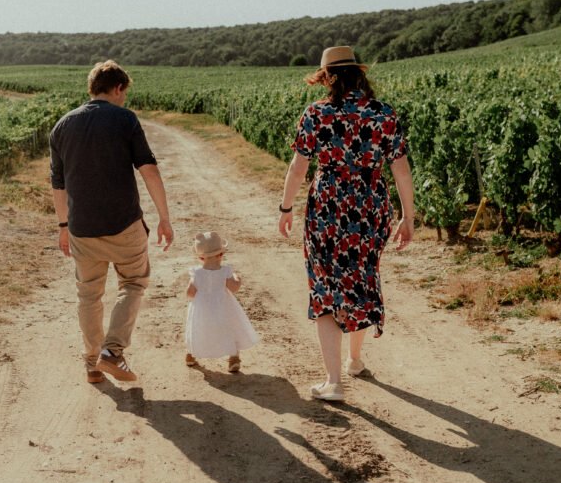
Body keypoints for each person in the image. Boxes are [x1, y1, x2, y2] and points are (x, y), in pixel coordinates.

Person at [278, 46, 415, 402]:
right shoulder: (384, 114)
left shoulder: (316, 114)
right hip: (371, 204)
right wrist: (408, 217)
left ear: (327, 77)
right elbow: (401, 170)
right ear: (359, 74)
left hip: (328, 206)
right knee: (362, 275)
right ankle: (355, 359)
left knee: (326, 285)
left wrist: (286, 207)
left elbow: (298, 168)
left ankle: (334, 381)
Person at [50, 60, 174, 384]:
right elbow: (148, 169)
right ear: (118, 88)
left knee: (88, 295)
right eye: (125, 93)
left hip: (81, 229)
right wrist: (164, 218)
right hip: (124, 225)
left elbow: (58, 185)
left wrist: (63, 227)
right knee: (133, 284)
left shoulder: (61, 127)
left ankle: (92, 363)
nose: (125, 99)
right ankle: (112, 352)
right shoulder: (125, 119)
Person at [184, 232, 260, 373]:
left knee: (198, 329)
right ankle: (233, 358)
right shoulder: (225, 271)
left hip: (202, 309)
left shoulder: (197, 273)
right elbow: (234, 288)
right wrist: (237, 278)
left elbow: (189, 292)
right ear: (221, 254)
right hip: (224, 308)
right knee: (230, 329)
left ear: (201, 257)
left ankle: (191, 354)